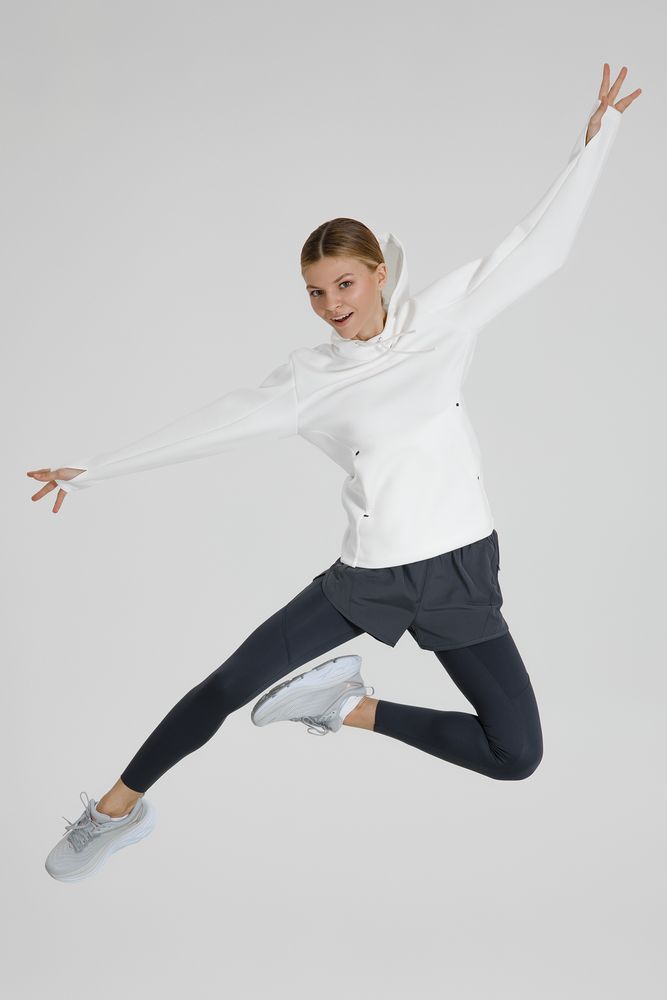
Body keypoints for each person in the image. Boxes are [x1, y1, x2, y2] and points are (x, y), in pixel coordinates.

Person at [30, 64, 640, 882]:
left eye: (343, 284)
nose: (330, 305)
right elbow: (209, 427)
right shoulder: (308, 380)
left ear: (379, 274)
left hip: (460, 569)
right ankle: (112, 812)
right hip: (369, 578)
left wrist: (594, 143)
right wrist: (95, 470)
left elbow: (536, 249)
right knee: (226, 685)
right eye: (315, 293)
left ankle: (345, 706)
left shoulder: (442, 320)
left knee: (515, 753)